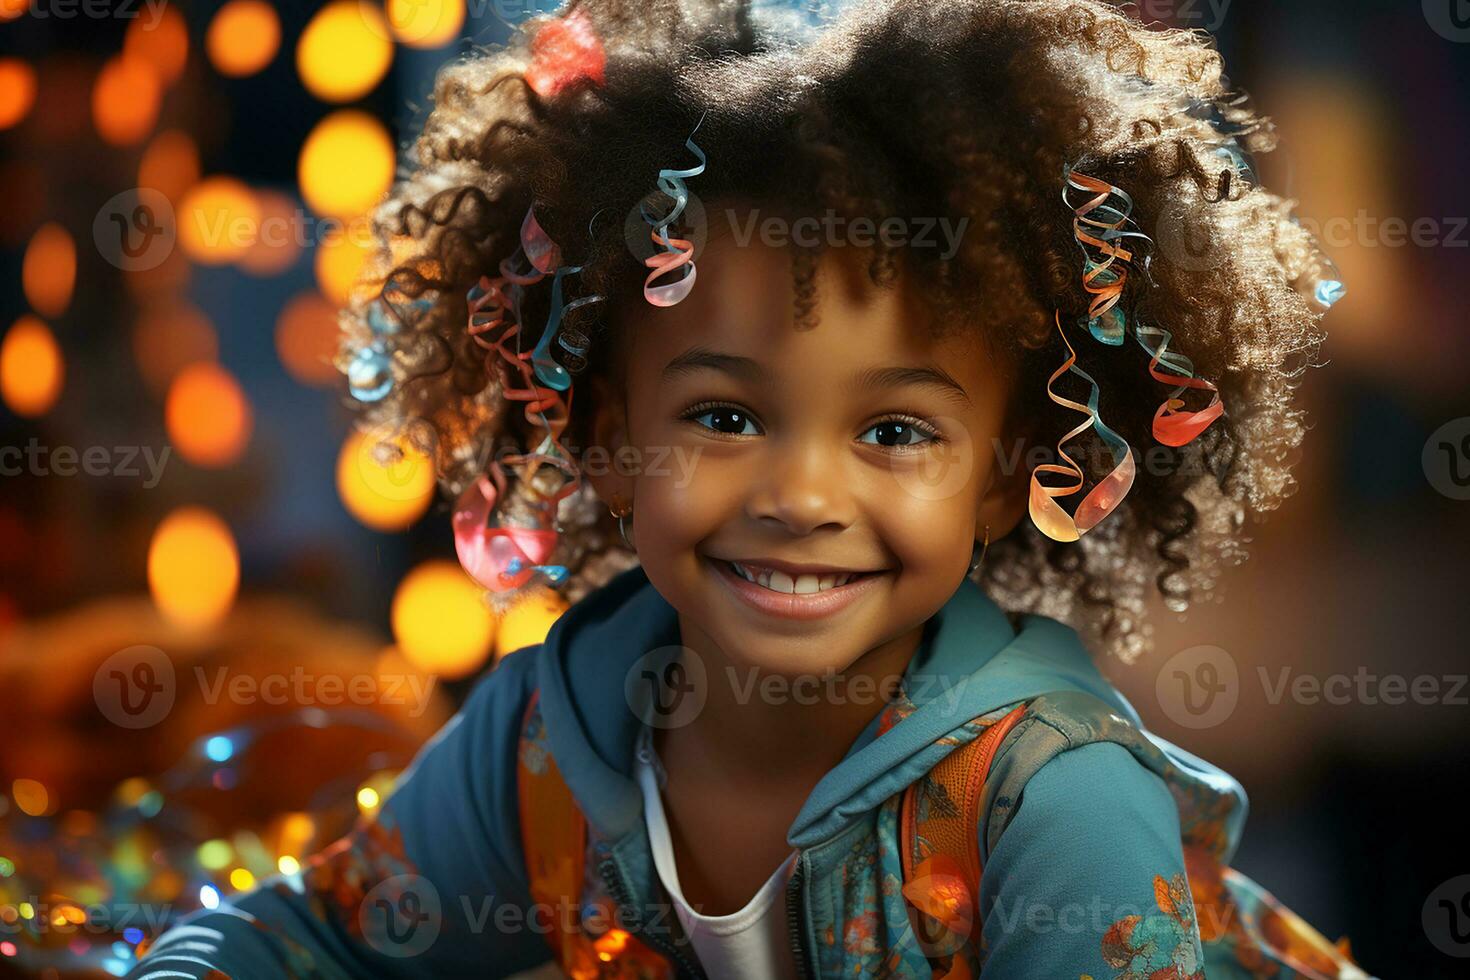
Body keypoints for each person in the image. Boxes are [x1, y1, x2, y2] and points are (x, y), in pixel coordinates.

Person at [127, 1, 1370, 977]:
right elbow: (320, 936)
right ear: (606, 434)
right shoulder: (550, 741)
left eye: (893, 428)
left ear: (1009, 477)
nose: (800, 491)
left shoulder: (1057, 800)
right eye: (724, 415)